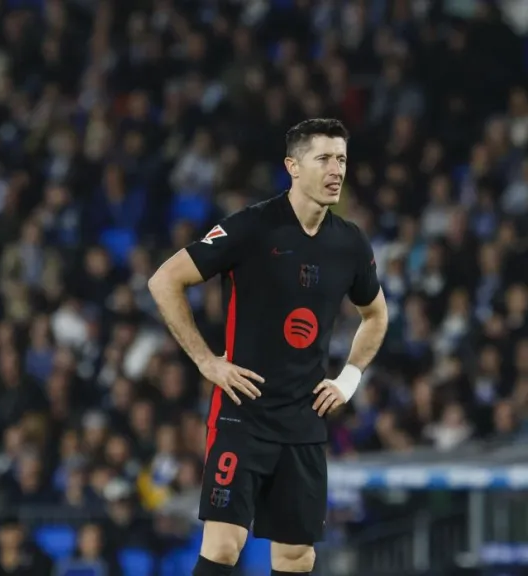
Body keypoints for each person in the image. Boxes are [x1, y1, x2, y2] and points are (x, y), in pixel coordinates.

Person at [147, 118, 389, 576]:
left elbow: (376, 315)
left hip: (305, 422)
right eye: (323, 158)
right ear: (292, 167)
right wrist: (205, 361)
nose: (336, 169)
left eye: (341, 159)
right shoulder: (251, 227)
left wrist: (349, 380)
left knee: (298, 557)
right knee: (223, 547)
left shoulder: (350, 244)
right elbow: (165, 280)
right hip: (244, 413)